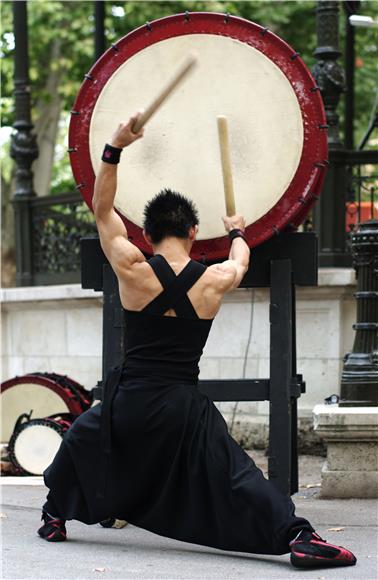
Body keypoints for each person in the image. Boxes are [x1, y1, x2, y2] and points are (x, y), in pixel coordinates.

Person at [38, 114, 356, 570]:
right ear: (192, 233)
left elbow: (103, 210)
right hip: (182, 407)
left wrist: (113, 148)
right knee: (237, 474)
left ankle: (54, 515)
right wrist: (237, 231)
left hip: (130, 402)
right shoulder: (215, 280)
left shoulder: (132, 266)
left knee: (84, 437)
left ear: (146, 235)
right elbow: (240, 262)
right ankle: (298, 536)